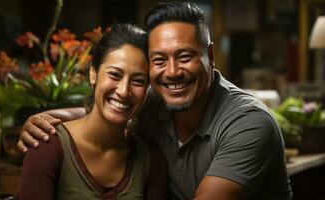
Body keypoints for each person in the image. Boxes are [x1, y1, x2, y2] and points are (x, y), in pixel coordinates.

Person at [18, 2, 292, 200]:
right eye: (159, 60)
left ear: (210, 55)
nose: (172, 72)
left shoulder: (249, 124)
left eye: (185, 56)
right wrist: (45, 120)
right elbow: (111, 106)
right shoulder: (154, 102)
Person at [19, 23, 168, 200]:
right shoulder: (46, 146)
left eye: (138, 81)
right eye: (114, 75)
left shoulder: (152, 161)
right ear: (93, 73)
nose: (123, 91)